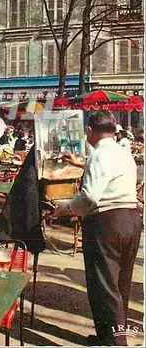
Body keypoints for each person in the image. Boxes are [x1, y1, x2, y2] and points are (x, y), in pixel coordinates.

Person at [54, 111, 141, 346]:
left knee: (104, 286)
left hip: (107, 223)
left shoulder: (98, 154)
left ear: (90, 131)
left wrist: (66, 208)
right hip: (131, 219)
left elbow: (90, 196)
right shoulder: (123, 152)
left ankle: (114, 344)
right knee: (120, 285)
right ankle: (109, 337)